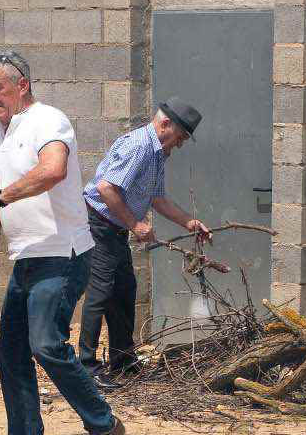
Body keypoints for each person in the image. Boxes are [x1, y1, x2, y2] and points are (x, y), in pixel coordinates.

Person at [0, 50, 125, 435]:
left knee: (46, 344)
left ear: (23, 86)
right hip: (27, 258)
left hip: (63, 253)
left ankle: (103, 424)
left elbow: (52, 170)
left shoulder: (49, 121)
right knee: (10, 352)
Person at [78, 98, 210, 385]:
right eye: (181, 137)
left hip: (115, 229)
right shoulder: (139, 146)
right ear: (165, 124)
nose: (181, 144)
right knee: (100, 292)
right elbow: (105, 188)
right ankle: (86, 368)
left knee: (124, 290)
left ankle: (123, 362)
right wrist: (135, 223)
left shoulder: (158, 153)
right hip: (99, 225)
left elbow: (157, 198)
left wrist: (189, 222)